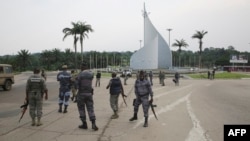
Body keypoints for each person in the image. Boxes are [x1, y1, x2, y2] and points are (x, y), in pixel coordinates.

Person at [75, 62, 98, 131]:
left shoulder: (79, 75)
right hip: (89, 94)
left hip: (81, 94)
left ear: (81, 67)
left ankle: (84, 124)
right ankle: (93, 123)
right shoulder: (91, 74)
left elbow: (76, 85)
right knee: (90, 108)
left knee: (81, 109)